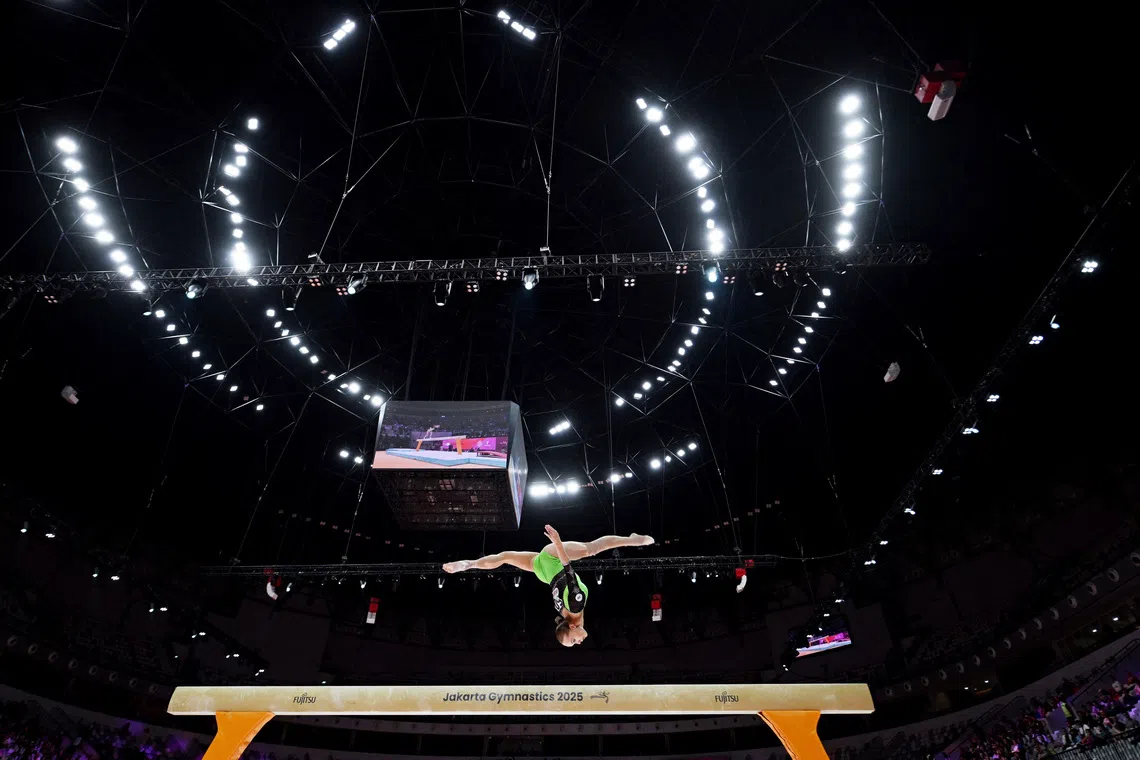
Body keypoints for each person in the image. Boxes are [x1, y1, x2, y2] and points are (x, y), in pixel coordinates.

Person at [442, 524, 654, 647]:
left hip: (553, 559)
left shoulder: (575, 605)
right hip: (543, 573)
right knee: (505, 557)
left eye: (573, 641)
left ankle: (634, 540)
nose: (578, 643)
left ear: (572, 627)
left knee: (592, 548)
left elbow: (567, 567)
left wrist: (558, 543)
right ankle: (469, 564)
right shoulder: (563, 614)